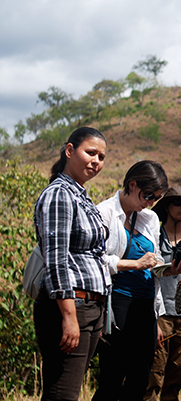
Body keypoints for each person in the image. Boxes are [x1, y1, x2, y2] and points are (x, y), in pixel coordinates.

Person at [33, 127, 110, 401]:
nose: (96, 161)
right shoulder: (59, 195)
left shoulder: (81, 195)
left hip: (90, 307)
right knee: (62, 393)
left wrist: (99, 315)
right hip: (68, 306)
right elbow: (56, 259)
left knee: (70, 390)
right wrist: (69, 317)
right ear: (69, 151)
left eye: (101, 156)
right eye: (90, 152)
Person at [93, 160, 169, 401]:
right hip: (118, 302)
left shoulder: (150, 219)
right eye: (148, 195)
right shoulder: (104, 212)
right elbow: (95, 260)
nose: (150, 202)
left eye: (156, 198)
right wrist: (134, 264)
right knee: (112, 377)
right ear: (132, 184)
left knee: (141, 378)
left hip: (145, 305)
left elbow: (152, 261)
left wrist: (169, 268)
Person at [145, 187, 181, 401]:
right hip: (161, 313)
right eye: (177, 202)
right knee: (154, 372)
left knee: (176, 374)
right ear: (167, 206)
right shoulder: (155, 236)